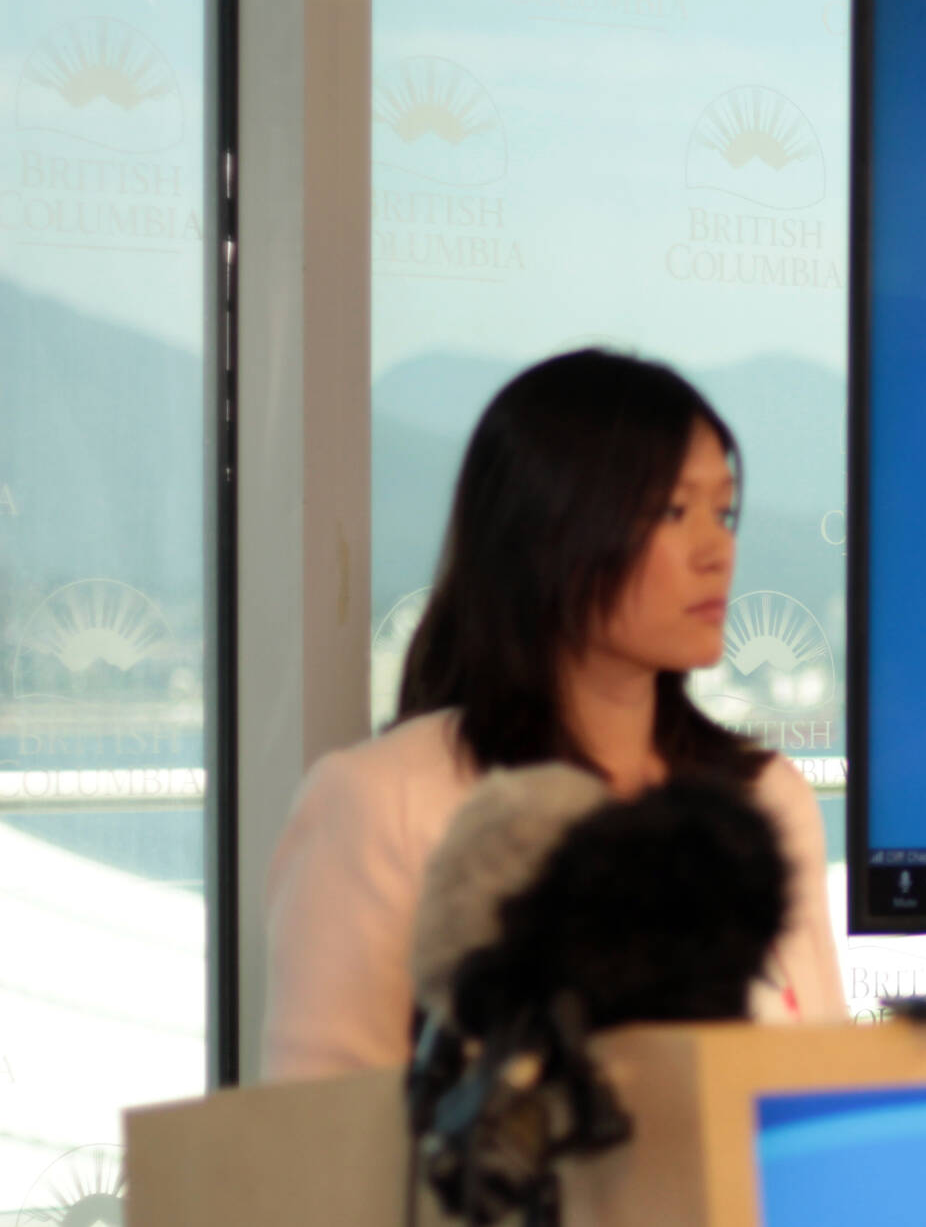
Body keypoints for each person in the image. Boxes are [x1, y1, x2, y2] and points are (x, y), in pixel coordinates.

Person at [264, 348, 844, 1081]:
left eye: (724, 511)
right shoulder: (385, 801)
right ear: (553, 529)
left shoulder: (763, 798)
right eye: (672, 510)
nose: (717, 549)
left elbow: (818, 1081)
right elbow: (318, 1141)